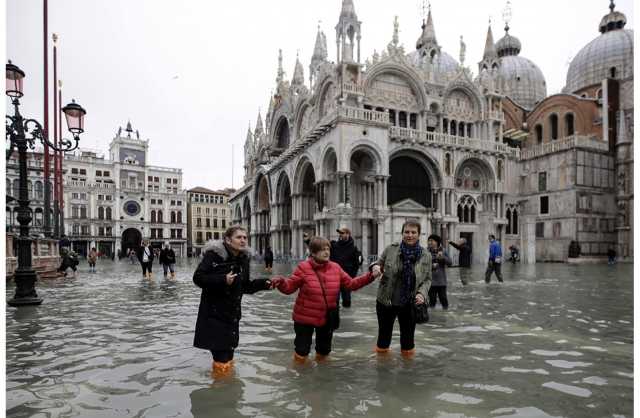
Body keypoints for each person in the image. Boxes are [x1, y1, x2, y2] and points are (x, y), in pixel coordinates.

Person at [270, 236, 380, 363]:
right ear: (313, 252)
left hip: (327, 317)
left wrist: (371, 276)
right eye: (322, 249)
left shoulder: (336, 268)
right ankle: (300, 377)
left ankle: (322, 378)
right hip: (305, 318)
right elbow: (289, 287)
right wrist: (281, 282)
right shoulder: (303, 268)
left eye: (328, 249)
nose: (327, 252)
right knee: (302, 352)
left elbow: (351, 284)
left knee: (324, 352)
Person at [193, 225, 275, 378]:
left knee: (229, 356)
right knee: (222, 358)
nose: (243, 240)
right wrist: (222, 279)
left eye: (245, 237)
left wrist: (265, 284)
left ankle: (228, 392)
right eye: (239, 237)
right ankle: (221, 393)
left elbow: (245, 286)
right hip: (214, 316)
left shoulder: (243, 258)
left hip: (232, 316)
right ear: (228, 240)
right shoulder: (214, 256)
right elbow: (198, 278)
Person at [372, 220, 431, 358]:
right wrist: (375, 267)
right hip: (386, 301)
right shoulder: (391, 249)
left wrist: (422, 294)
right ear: (402, 233)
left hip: (409, 303)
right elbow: (378, 263)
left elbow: (427, 279)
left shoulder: (425, 255)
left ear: (419, 234)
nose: (409, 235)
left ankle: (408, 372)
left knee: (408, 341)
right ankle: (382, 369)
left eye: (413, 232)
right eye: (407, 232)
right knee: (383, 338)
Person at [330, 227, 362, 308]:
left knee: (347, 301)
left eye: (343, 233)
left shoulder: (354, 249)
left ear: (348, 234)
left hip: (347, 279)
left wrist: (352, 277)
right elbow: (320, 246)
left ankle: (347, 317)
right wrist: (308, 240)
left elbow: (358, 263)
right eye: (340, 233)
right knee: (334, 302)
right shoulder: (334, 245)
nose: (341, 235)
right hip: (334, 278)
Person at [427, 234, 452, 310]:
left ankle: (445, 315)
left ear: (437, 242)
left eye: (432, 241)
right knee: (432, 300)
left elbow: (450, 263)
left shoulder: (443, 251)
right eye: (429, 240)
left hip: (441, 281)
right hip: (430, 281)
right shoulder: (426, 251)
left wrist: (442, 258)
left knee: (443, 299)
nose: (429, 242)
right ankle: (432, 318)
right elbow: (422, 265)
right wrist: (431, 266)